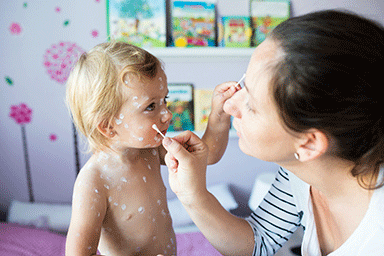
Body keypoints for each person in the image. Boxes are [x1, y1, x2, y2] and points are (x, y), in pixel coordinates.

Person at [161, 10, 384, 256]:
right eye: (243, 84)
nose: (228, 105)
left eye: (252, 106)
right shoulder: (299, 173)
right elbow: (259, 240)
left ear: (309, 144)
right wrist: (192, 194)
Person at [65, 41, 238, 256]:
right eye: (150, 106)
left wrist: (219, 115)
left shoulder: (150, 150)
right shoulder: (94, 181)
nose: (167, 114)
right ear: (108, 126)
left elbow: (208, 155)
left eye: (164, 100)